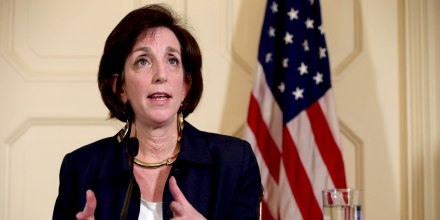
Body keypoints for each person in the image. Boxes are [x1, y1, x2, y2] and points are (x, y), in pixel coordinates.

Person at [52, 4, 261, 220]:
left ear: (185, 86)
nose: (161, 75)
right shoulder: (81, 168)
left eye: (172, 61)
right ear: (120, 87)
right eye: (143, 61)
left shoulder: (234, 162)